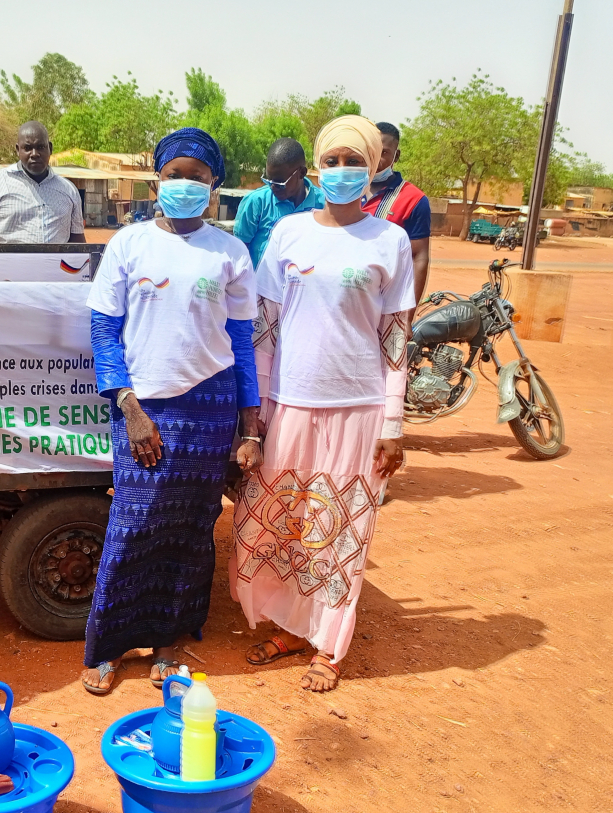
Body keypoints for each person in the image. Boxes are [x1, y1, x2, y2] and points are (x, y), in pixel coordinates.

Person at [230, 115, 415, 693]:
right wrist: (254, 415)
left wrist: (392, 423)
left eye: (353, 161)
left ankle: (329, 647)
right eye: (331, 161)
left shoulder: (390, 241)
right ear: (316, 167)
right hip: (288, 404)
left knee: (338, 532)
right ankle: (290, 626)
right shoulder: (288, 235)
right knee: (282, 526)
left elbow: (395, 339)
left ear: (375, 167)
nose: (341, 171)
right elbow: (264, 330)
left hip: (357, 409)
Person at [80, 127, 263, 695]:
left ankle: (167, 642)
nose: (184, 184)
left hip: (210, 405)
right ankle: (109, 645)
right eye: (174, 173)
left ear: (214, 185)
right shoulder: (128, 245)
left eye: (197, 176)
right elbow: (103, 331)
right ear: (158, 179)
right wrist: (129, 406)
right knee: (132, 526)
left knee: (191, 529)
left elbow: (241, 342)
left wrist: (249, 423)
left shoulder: (230, 252)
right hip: (143, 405)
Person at [0, 121, 86, 244]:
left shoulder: (68, 190)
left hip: (54, 264)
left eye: (40, 147)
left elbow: (78, 244)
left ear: (50, 148)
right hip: (8, 263)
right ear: (18, 150)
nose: (34, 154)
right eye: (27, 148)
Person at [363, 122, 431, 302]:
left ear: (396, 156)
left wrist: (408, 315)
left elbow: (419, 258)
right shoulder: (348, 190)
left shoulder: (414, 200)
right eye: (372, 151)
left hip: (387, 300)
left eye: (384, 152)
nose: (376, 159)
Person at [234, 137, 325, 266]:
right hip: (260, 285)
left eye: (279, 183)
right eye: (269, 180)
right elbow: (239, 253)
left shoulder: (323, 204)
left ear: (302, 173)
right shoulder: (255, 203)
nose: (272, 187)